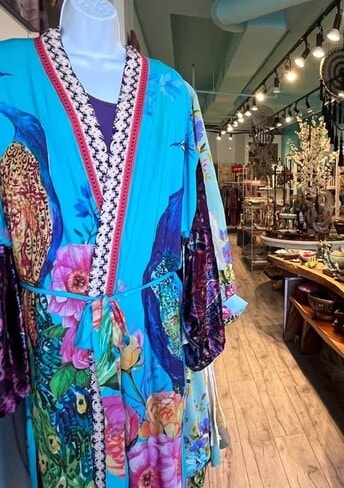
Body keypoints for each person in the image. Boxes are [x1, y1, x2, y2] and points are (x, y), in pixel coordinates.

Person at [0, 1, 245, 487]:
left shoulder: (173, 93)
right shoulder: (9, 74)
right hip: (59, 357)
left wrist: (202, 318)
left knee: (155, 460)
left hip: (153, 348)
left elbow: (198, 223)